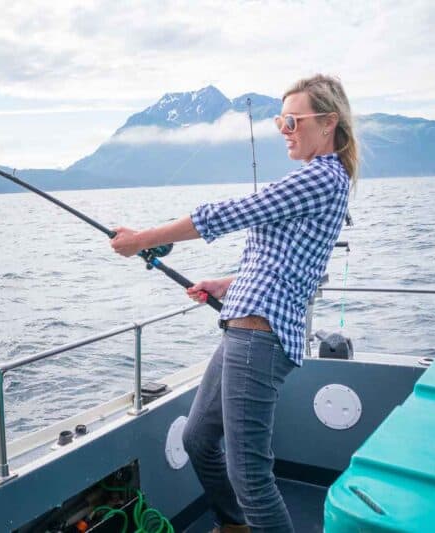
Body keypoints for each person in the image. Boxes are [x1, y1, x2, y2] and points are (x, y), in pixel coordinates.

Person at [110, 74, 358, 532]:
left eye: (292, 120)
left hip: (259, 337)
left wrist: (144, 238)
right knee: (198, 438)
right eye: (280, 121)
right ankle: (235, 526)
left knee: (251, 478)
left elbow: (232, 213)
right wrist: (227, 284)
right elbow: (287, 261)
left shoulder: (321, 177)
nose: (283, 129)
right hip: (245, 327)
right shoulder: (319, 179)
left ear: (328, 122)